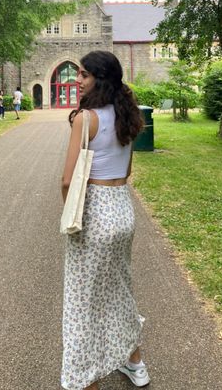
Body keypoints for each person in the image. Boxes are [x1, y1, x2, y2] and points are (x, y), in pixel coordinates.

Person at [60, 51, 150, 390]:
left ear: (99, 77)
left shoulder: (86, 119)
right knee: (119, 290)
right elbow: (126, 171)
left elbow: (68, 181)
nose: (78, 80)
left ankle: (86, 380)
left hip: (94, 211)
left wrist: (71, 215)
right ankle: (135, 362)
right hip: (122, 210)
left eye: (83, 74)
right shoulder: (129, 114)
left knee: (83, 300)